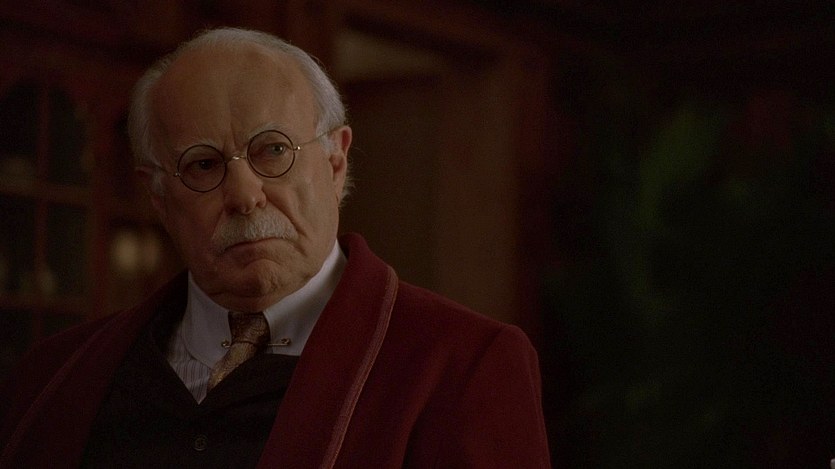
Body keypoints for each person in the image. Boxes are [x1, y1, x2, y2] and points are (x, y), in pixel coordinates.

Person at [0, 27, 550, 468]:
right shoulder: (52, 378)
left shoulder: (464, 366)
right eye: (203, 165)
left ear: (336, 162)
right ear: (160, 198)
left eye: (273, 150)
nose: (244, 196)